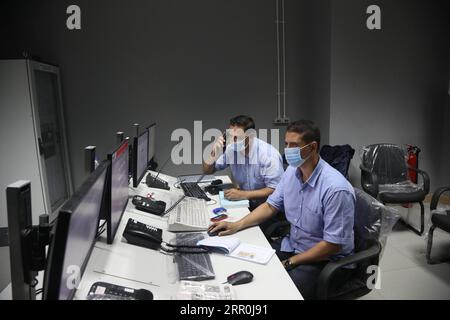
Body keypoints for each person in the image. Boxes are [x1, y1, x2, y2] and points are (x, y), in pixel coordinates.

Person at [208, 120, 355, 299]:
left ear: (313, 147)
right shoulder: (292, 173)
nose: (288, 149)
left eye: (294, 145)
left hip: (324, 260)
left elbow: (332, 245)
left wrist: (290, 262)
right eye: (286, 144)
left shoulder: (335, 189)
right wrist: (236, 225)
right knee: (249, 265)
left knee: (278, 292)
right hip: (294, 244)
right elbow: (271, 205)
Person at [202, 115, 284, 211]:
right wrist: (214, 152)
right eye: (230, 136)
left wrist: (244, 194)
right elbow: (207, 170)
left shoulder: (268, 154)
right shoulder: (231, 149)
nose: (232, 141)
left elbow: (276, 190)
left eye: (237, 137)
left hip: (268, 208)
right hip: (246, 203)